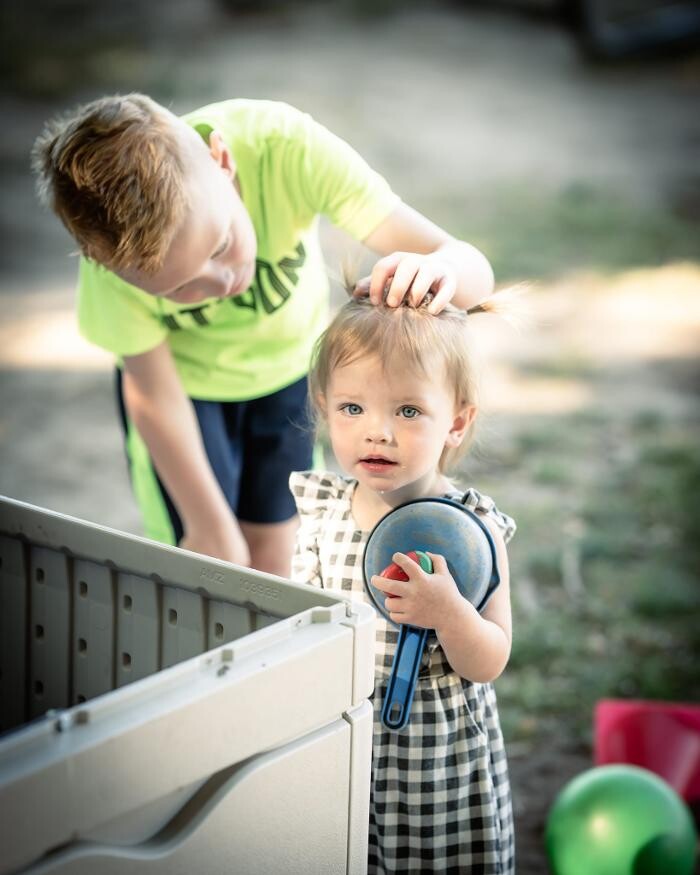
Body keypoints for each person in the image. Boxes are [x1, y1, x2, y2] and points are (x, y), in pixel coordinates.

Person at [32, 94, 495, 576]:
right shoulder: (111, 259)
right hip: (188, 402)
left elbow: (473, 270)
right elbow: (153, 393)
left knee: (277, 565)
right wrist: (209, 523)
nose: (221, 284)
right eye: (180, 287)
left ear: (223, 162)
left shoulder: (287, 148)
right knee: (207, 569)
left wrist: (440, 268)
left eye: (222, 245)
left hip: (288, 380)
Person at [290, 291, 516, 874]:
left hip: (436, 763)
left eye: (408, 411)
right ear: (323, 406)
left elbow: (489, 659)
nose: (378, 433)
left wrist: (450, 613)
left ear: (456, 421)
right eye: (352, 409)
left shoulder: (474, 531)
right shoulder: (320, 516)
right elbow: (297, 636)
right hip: (343, 754)